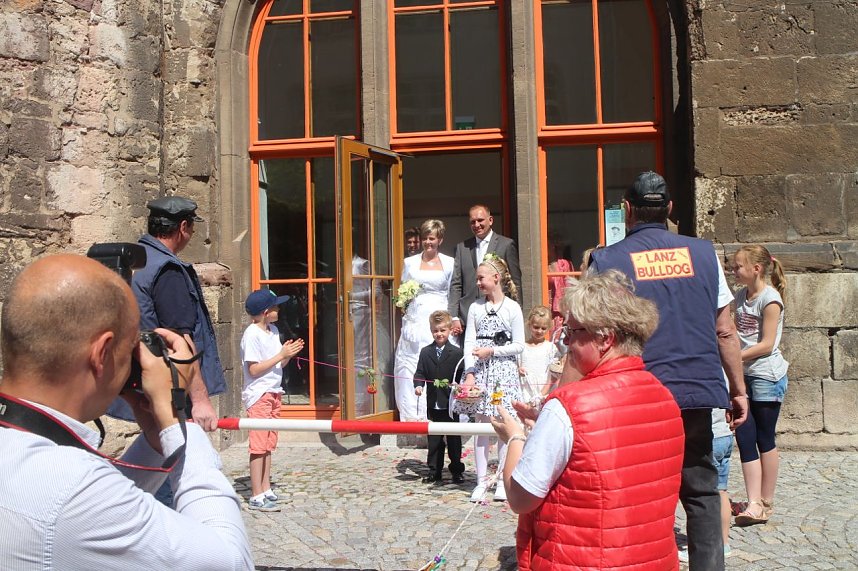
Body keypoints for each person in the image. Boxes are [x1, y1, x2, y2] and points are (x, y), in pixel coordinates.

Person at [0, 254, 253, 569]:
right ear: (102, 353)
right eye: (133, 346)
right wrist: (175, 417)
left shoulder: (37, 462)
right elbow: (231, 562)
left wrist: (153, 438)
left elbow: (110, 502)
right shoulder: (73, 490)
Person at [587, 171, 748, 570]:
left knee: (633, 489)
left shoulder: (607, 260)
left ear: (627, 210)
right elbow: (725, 330)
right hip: (694, 389)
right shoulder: (703, 253)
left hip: (636, 394)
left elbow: (590, 334)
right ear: (670, 209)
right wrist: (738, 389)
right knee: (701, 489)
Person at [490, 269, 684, 570]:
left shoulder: (567, 408)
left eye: (572, 333)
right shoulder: (664, 397)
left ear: (604, 338)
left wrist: (515, 437)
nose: (566, 344)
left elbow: (520, 497)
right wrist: (546, 418)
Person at [108, 196, 225, 431]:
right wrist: (201, 400)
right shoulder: (167, 269)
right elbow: (180, 339)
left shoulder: (134, 260)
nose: (191, 234)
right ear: (183, 227)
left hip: (137, 386)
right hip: (169, 390)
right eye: (192, 227)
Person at [451, 256, 525, 503]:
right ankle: (482, 481)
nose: (479, 283)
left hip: (503, 373)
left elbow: (518, 345)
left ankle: (504, 481)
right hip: (481, 372)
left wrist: (492, 351)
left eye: (482, 278)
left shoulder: (512, 308)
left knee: (504, 426)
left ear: (496, 278)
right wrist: (470, 373)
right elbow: (469, 342)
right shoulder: (475, 308)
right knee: (481, 428)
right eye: (477, 279)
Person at [731, 245, 789, 526]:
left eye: (738, 266)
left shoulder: (770, 299)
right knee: (744, 437)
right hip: (743, 374)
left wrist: (733, 356)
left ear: (756, 269)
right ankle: (753, 503)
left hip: (766, 375)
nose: (734, 270)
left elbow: (766, 344)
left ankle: (766, 501)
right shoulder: (741, 295)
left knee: (764, 438)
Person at [241, 289, 305, 511]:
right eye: (276, 307)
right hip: (259, 394)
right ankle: (256, 494)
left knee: (268, 444)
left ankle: (266, 487)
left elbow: (278, 364)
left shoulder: (273, 331)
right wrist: (281, 355)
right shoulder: (251, 334)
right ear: (266, 312)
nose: (279, 309)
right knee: (258, 446)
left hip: (274, 391)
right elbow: (254, 369)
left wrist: (288, 355)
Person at [394, 220, 455, 421]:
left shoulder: (449, 263)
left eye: (432, 238)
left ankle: (440, 412)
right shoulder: (409, 263)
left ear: (440, 240)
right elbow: (403, 286)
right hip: (415, 316)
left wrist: (452, 319)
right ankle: (413, 414)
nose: (428, 242)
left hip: (439, 315)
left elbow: (452, 291)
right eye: (425, 238)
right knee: (412, 361)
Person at [448, 205, 523, 339]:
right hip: (468, 315)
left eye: (480, 220)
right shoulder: (462, 248)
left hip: (500, 312)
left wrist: (517, 311)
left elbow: (515, 280)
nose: (476, 224)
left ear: (490, 220)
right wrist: (454, 316)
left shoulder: (506, 245)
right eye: (472, 222)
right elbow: (456, 284)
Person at [413, 311, 466, 484]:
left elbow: (462, 375)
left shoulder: (457, 353)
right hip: (433, 404)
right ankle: (434, 470)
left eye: (443, 330)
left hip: (450, 404)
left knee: (453, 439)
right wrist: (419, 385)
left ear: (450, 330)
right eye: (436, 331)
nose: (439, 334)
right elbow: (419, 372)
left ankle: (457, 469)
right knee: (434, 439)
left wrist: (458, 386)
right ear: (431, 331)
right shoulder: (425, 352)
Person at [680, 405, 735, 562]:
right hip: (726, 436)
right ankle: (724, 544)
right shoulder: (723, 380)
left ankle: (704, 546)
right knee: (721, 491)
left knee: (702, 494)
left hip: (711, 438)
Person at [517, 305, 562, 407]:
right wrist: (518, 370)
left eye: (543, 328)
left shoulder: (550, 348)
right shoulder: (522, 348)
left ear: (549, 328)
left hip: (544, 392)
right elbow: (517, 366)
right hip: (525, 392)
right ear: (529, 325)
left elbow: (554, 375)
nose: (539, 331)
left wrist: (541, 395)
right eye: (536, 327)